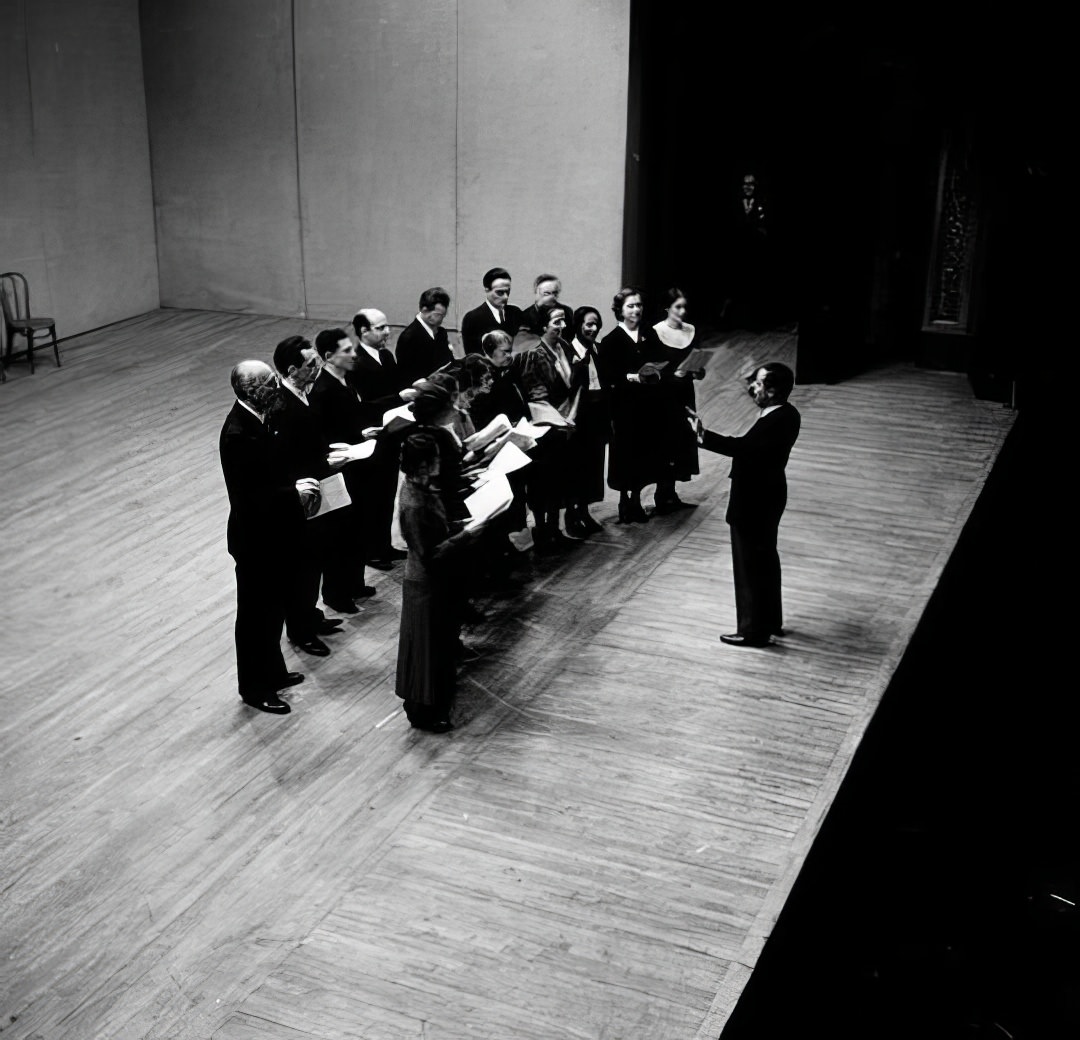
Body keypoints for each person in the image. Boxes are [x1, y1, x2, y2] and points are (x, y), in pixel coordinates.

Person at [219, 360, 320, 715]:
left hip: (275, 534)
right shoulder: (237, 434)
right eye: (268, 383)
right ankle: (254, 687)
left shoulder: (264, 419)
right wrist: (294, 492)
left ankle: (273, 672)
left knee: (274, 609)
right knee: (254, 618)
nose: (275, 387)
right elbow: (251, 497)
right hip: (255, 541)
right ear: (250, 391)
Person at [695, 362, 800, 647]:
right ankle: (771, 620)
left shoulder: (775, 420)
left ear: (774, 390)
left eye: (758, 383)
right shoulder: (787, 414)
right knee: (765, 560)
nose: (752, 387)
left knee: (750, 566)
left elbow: (743, 449)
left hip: (753, 500)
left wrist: (701, 435)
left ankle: (754, 631)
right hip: (768, 496)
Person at [396, 432, 489, 732]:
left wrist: (457, 526)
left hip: (437, 580)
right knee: (426, 650)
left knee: (440, 646)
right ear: (422, 465)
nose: (438, 462)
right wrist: (467, 535)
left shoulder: (422, 489)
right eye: (433, 458)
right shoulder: (413, 502)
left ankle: (434, 705)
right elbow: (430, 554)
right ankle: (424, 712)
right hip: (425, 584)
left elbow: (436, 531)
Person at [267, 335, 347, 656]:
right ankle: (300, 629)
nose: (319, 367)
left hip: (318, 482)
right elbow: (285, 458)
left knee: (317, 558)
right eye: (312, 363)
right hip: (304, 496)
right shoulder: (283, 406)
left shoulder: (304, 393)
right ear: (292, 369)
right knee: (303, 565)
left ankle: (311, 616)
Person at [307, 327, 377, 612]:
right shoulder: (322, 389)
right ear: (328, 356)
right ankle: (336, 593)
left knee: (358, 528)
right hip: (340, 469)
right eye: (346, 351)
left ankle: (355, 583)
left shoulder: (346, 381)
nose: (353, 354)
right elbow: (320, 434)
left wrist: (364, 433)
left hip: (357, 462)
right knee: (340, 535)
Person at [596, 287, 668, 523]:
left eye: (638, 305)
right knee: (625, 453)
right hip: (625, 406)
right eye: (630, 306)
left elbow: (659, 359)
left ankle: (636, 498)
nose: (636, 309)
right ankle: (625, 501)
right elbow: (608, 376)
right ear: (619, 311)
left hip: (648, 404)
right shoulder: (611, 341)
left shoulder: (649, 334)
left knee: (644, 452)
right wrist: (633, 377)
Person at [349, 308, 411, 570]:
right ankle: (371, 551)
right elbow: (365, 405)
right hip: (371, 438)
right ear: (364, 331)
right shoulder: (356, 362)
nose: (387, 332)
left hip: (391, 434)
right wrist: (399, 398)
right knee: (373, 497)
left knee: (387, 494)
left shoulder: (386, 355)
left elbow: (394, 388)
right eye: (381, 327)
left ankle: (384, 545)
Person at [517, 302, 581, 552]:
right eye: (557, 322)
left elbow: (574, 384)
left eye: (564, 320)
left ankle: (555, 528)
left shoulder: (564, 347)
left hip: (565, 427)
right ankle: (542, 530)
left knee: (561, 481)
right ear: (543, 326)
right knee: (542, 482)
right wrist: (559, 418)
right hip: (545, 428)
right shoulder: (535, 353)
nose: (563, 326)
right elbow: (535, 394)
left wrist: (571, 415)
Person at [651, 287, 705, 513]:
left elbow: (697, 366)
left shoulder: (691, 330)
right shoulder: (655, 332)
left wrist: (697, 371)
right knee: (665, 440)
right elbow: (651, 369)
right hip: (663, 394)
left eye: (684, 307)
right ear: (667, 308)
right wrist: (673, 375)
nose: (682, 312)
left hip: (684, 392)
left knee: (683, 438)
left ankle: (671, 492)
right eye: (678, 307)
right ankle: (661, 494)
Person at [564, 306, 608, 536]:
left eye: (596, 324)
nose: (593, 328)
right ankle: (571, 514)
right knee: (576, 467)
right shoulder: (568, 350)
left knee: (593, 466)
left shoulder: (599, 350)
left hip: (597, 416)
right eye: (589, 324)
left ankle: (584, 510)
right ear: (578, 324)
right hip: (577, 418)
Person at [395, 287, 454, 387]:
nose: (441, 319)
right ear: (424, 309)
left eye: (443, 315)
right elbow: (407, 376)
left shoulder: (441, 333)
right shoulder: (409, 337)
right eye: (438, 315)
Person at [460, 267, 523, 356]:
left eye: (508, 292)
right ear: (487, 290)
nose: (506, 297)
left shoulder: (516, 313)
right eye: (500, 292)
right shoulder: (472, 318)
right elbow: (473, 357)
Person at [516, 273, 574, 343]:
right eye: (547, 293)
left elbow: (570, 340)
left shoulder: (567, 312)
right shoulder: (525, 317)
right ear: (536, 292)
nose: (552, 297)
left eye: (555, 293)